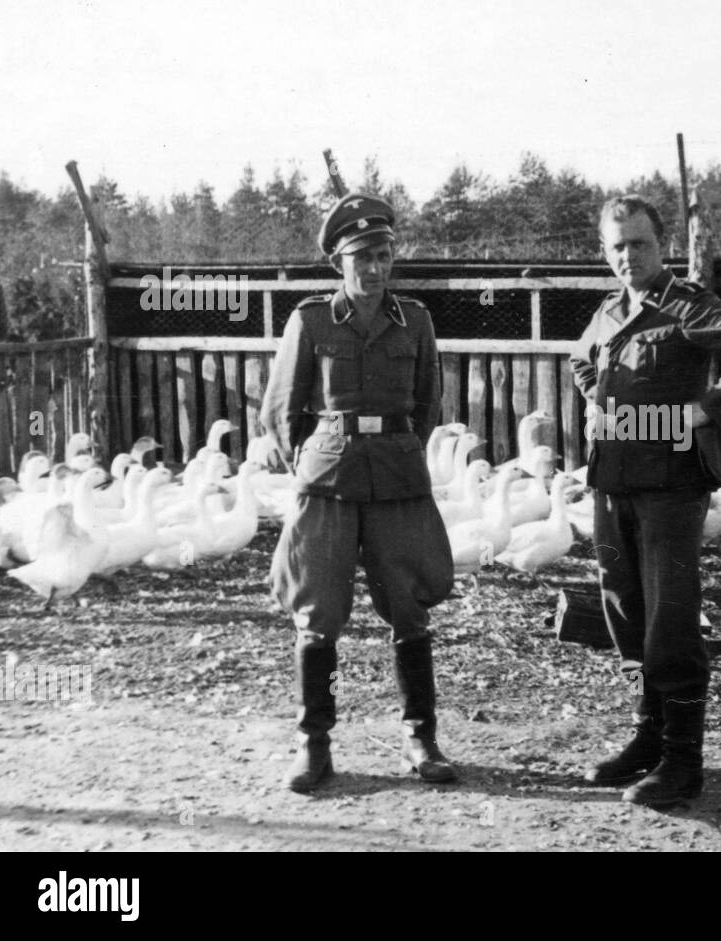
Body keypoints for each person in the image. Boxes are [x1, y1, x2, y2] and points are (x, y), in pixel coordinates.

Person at [569, 194, 721, 808]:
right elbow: (582, 361)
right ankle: (648, 737)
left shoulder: (686, 305)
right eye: (617, 247)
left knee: (671, 617)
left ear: (661, 247)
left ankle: (684, 761)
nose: (628, 256)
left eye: (639, 244)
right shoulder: (610, 311)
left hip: (669, 486)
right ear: (604, 252)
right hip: (613, 481)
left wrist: (703, 413)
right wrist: (597, 406)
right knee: (626, 610)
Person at [261, 193, 456, 792]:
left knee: (409, 610)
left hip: (397, 480)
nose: (373, 268)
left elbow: (427, 403)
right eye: (360, 257)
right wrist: (316, 457)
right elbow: (281, 410)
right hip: (328, 483)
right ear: (337, 263)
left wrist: (395, 449)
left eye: (383, 255)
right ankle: (312, 744)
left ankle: (421, 739)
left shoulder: (415, 320)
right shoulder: (312, 321)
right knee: (317, 612)